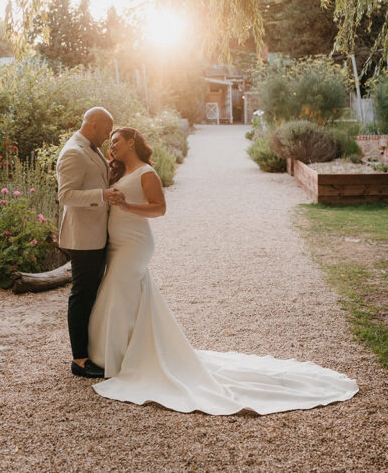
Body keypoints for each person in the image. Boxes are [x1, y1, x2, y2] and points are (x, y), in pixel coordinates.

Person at [87, 127, 359, 414]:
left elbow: (159, 209)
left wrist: (126, 205)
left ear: (132, 142)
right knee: (127, 297)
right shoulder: (117, 171)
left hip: (134, 244)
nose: (112, 146)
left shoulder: (146, 173)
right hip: (117, 244)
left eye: (116, 141)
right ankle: (123, 352)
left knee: (119, 294)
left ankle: (117, 360)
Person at [56, 107, 124, 378]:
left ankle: (92, 351)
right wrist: (103, 195)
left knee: (93, 294)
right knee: (82, 295)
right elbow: (66, 195)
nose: (108, 137)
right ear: (94, 124)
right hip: (83, 236)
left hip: (97, 233)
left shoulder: (91, 148)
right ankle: (80, 359)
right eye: (107, 131)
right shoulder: (73, 151)